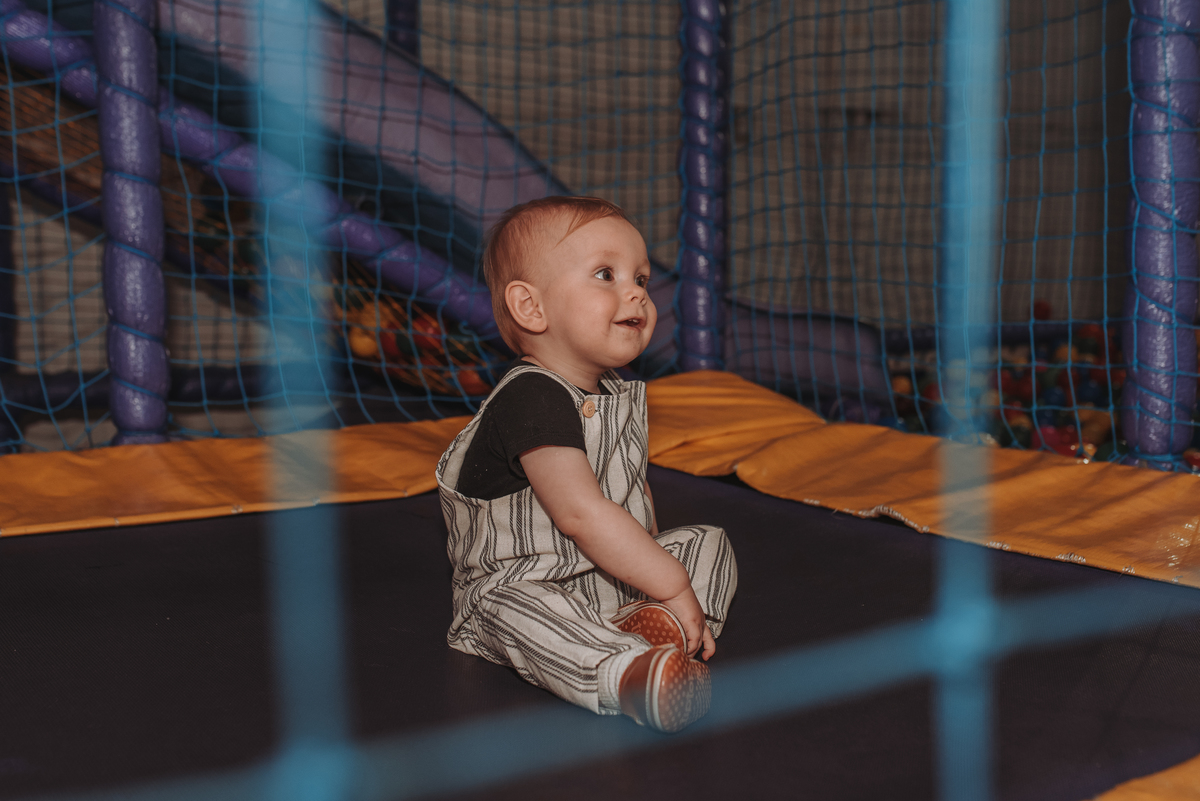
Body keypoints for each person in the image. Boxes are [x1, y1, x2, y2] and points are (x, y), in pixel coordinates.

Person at [436, 196, 737, 733]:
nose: (636, 293)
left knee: (709, 543)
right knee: (518, 610)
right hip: (524, 582)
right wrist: (670, 583)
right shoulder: (530, 397)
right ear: (531, 307)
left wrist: (654, 570)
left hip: (605, 582)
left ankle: (662, 631)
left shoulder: (614, 392)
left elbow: (632, 491)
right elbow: (581, 513)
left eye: (641, 279)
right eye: (606, 274)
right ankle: (626, 673)